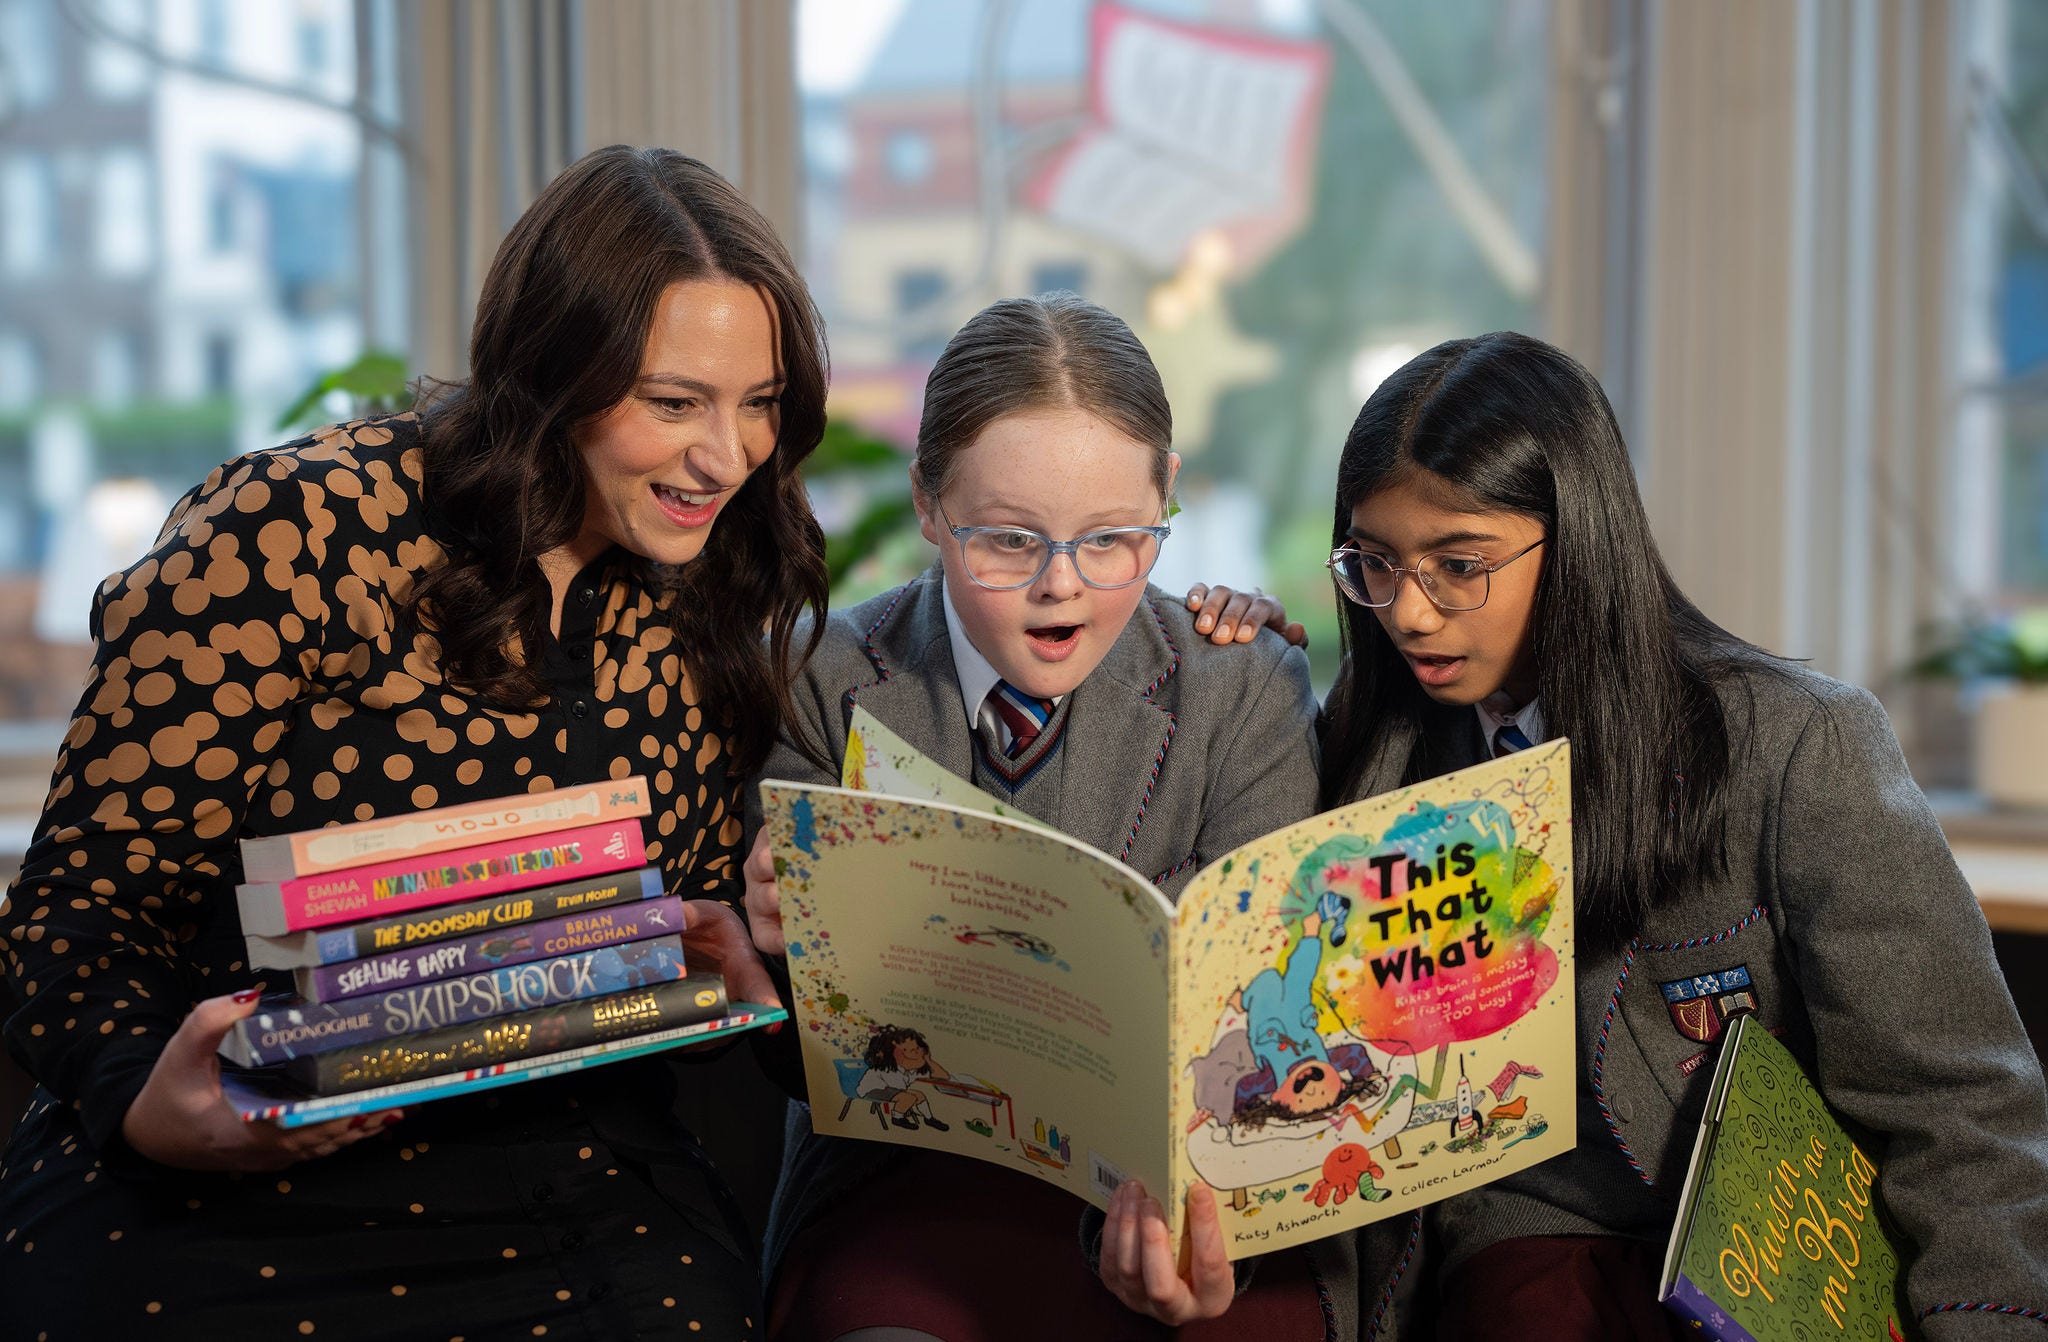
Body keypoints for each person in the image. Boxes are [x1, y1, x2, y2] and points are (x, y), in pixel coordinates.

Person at [0, 145, 827, 1339]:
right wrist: (149, 1105)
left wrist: (743, 949)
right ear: (552, 373)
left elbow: (675, 928)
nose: (729, 456)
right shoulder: (296, 528)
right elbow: (76, 904)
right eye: (673, 401)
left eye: (758, 404)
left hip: (566, 1179)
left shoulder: (704, 575)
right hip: (232, 1167)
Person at [1221, 330, 2048, 1339]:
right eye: (1373, 563)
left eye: (1457, 564)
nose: (1408, 612)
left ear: (1576, 543)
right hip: (1519, 1247)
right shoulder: (1373, 746)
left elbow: (1960, 1105)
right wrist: (1227, 651)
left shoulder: (1793, 746)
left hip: (1775, 1257)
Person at [742, 293, 1341, 1338]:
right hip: (905, 1180)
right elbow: (792, 1069)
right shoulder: (818, 680)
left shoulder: (1240, 688)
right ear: (928, 503)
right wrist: (786, 952)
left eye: (1113, 539)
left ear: (1168, 497)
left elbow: (1266, 1018)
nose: (1060, 589)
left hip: (1190, 1187)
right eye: (1009, 541)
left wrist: (1212, 1252)